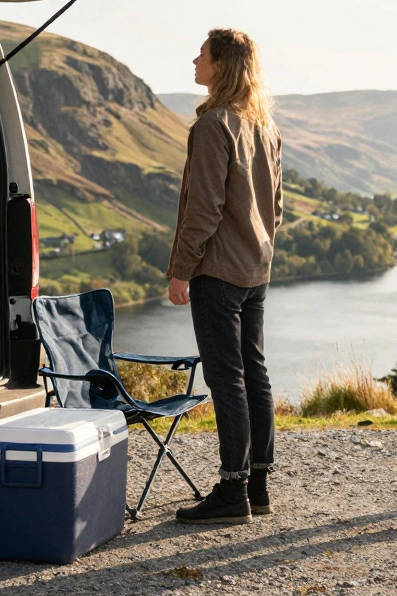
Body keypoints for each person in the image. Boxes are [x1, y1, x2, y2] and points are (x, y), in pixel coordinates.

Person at [167, 28, 283, 525]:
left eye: (203, 54)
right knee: (253, 372)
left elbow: (204, 208)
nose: (195, 59)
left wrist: (181, 269)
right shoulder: (265, 126)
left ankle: (232, 492)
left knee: (227, 379)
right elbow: (276, 208)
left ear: (221, 66)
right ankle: (257, 487)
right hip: (255, 268)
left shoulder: (214, 124)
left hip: (217, 269)